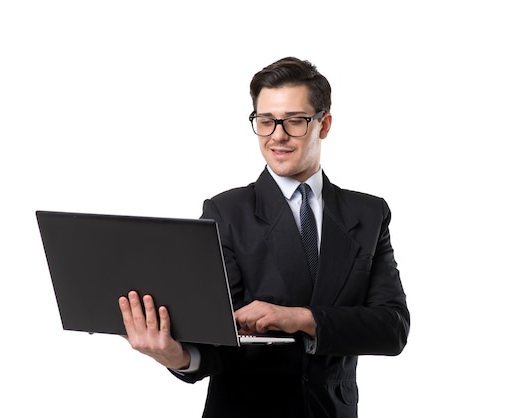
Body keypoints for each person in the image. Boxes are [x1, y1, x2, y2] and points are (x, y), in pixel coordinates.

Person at [118, 56, 410, 418]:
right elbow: (218, 338)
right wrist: (178, 356)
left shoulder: (368, 214)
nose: (277, 136)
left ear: (325, 124)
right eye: (266, 121)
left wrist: (301, 318)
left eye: (295, 121)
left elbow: (392, 328)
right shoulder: (226, 212)